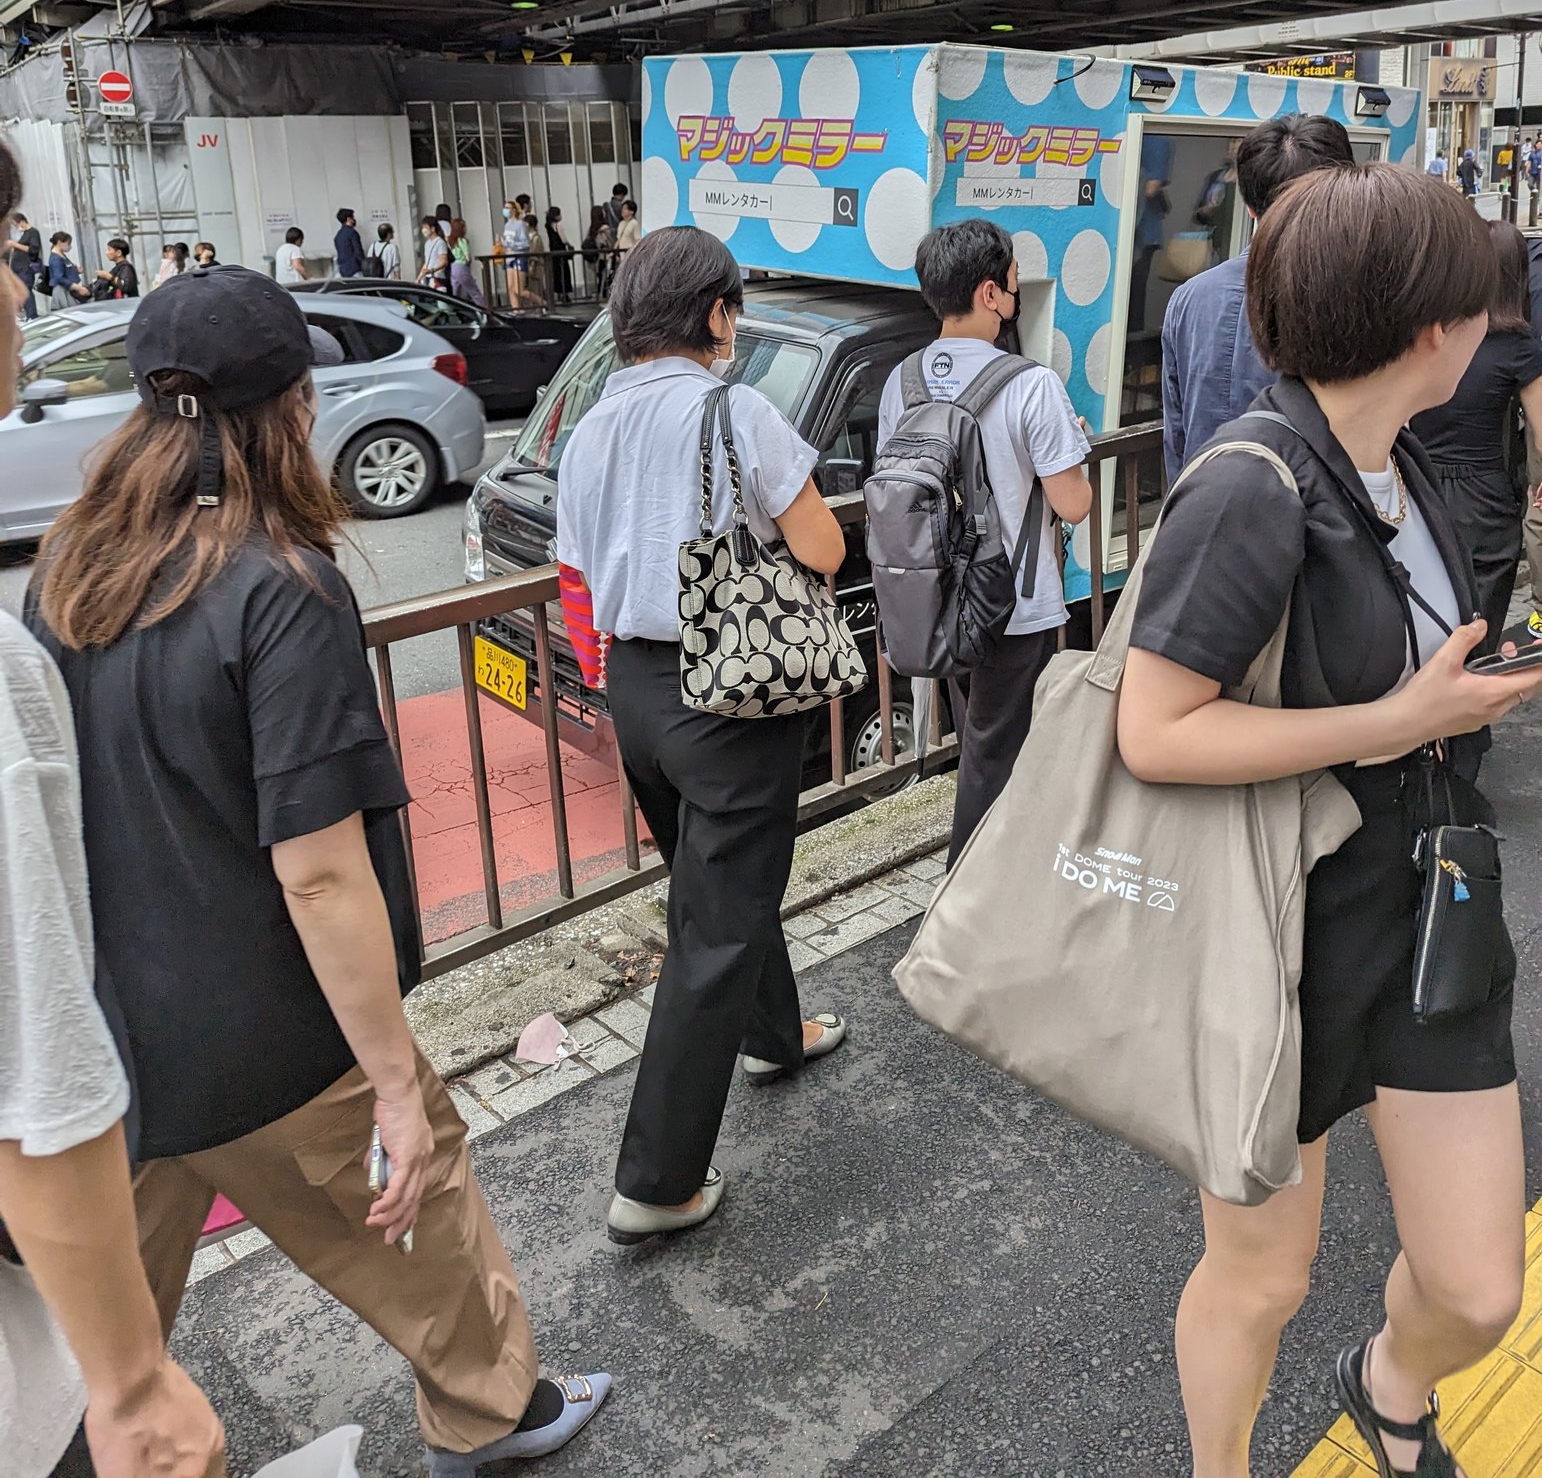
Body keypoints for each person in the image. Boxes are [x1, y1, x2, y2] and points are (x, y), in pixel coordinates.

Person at [26, 269, 612, 1471]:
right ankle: (490, 1413)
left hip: (106, 1053)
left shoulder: (64, 572)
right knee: (424, 1204)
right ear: (293, 405)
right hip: (270, 1037)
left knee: (100, 1358)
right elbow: (321, 874)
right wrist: (396, 1078)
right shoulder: (278, 588)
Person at [1119, 162, 1542, 1478]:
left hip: (1428, 901)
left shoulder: (1398, 458)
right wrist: (1396, 724)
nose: (1499, 326)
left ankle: (1387, 1383)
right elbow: (1151, 729)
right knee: (1259, 1277)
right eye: (1484, 307)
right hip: (1276, 934)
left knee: (1476, 1285)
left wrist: (1460, 695)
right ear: (1432, 330)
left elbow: (1392, 664)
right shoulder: (1250, 482)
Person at [0, 144, 227, 1478]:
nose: (21, 289)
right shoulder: (272, 585)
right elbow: (39, 1081)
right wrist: (132, 1383)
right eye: (10, 247)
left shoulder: (76, 549)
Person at [557, 228, 848, 1247]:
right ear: (717, 314)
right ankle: (656, 1176)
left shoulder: (589, 424)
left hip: (634, 683)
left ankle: (776, 1033)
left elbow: (579, 573)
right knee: (712, 921)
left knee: (712, 879)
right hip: (731, 686)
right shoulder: (738, 407)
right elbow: (820, 541)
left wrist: (608, 685)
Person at [877, 220, 1092, 866]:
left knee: (979, 739)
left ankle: (987, 890)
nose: (1017, 297)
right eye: (1014, 285)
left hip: (939, 601)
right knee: (997, 758)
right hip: (1014, 607)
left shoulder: (902, 383)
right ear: (991, 294)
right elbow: (1073, 503)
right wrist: (1073, 446)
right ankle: (967, 903)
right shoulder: (1032, 386)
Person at [1162, 113, 1356, 479]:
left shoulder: (1189, 299)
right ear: (1339, 197)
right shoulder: (1350, 298)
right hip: (1307, 521)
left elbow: (1177, 434)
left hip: (1199, 509)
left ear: (1249, 207)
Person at [1410, 219, 1542, 655]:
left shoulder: (1431, 333)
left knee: (1420, 615)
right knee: (1478, 631)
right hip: (1484, 497)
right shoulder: (1519, 347)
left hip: (1419, 485)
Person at [1128, 130, 1174, 332]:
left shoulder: (1157, 139)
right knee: (1132, 295)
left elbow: (1151, 188)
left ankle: (1132, 351)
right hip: (1138, 230)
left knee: (1134, 296)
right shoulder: (1154, 140)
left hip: (1143, 234)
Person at [7, 213, 41, 321]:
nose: (16, 227)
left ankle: (32, 315)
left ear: (22, 221)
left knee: (26, 290)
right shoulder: (23, 234)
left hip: (25, 267)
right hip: (17, 267)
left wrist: (15, 245)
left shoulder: (33, 233)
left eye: (16, 224)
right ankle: (28, 314)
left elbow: (33, 250)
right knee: (20, 290)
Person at [47, 234, 91, 309]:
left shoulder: (61, 255)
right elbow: (59, 278)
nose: (70, 246)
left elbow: (65, 270)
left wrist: (75, 270)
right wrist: (78, 288)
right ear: (60, 242)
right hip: (63, 291)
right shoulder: (56, 259)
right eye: (68, 243)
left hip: (68, 290)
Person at [449, 217, 485, 308]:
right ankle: (484, 310)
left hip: (453, 267)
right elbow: (467, 257)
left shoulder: (451, 241)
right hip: (461, 267)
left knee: (455, 293)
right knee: (474, 292)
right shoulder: (462, 240)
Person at [501, 198, 531, 306]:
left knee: (519, 289)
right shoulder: (507, 225)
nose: (505, 210)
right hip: (509, 258)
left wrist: (512, 245)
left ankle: (543, 303)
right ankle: (516, 310)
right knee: (510, 287)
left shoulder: (520, 224)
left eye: (507, 208)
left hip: (519, 257)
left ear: (514, 210)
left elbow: (526, 243)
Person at [583, 205, 616, 300]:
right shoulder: (605, 228)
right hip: (606, 255)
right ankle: (606, 294)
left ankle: (599, 293)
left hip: (596, 256)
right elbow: (608, 242)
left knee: (600, 275)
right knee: (608, 275)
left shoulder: (592, 228)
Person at [545, 207, 573, 304]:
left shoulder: (548, 226)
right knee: (564, 272)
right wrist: (569, 245)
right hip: (561, 251)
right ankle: (565, 294)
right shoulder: (558, 225)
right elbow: (564, 239)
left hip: (554, 252)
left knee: (557, 273)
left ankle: (559, 293)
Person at [419, 215, 451, 292]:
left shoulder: (440, 242)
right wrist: (418, 278)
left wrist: (432, 270)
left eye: (426, 227)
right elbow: (426, 263)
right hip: (428, 278)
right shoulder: (427, 243)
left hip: (438, 279)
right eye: (423, 227)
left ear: (433, 229)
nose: (424, 230)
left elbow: (444, 261)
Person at [333, 208, 365, 280]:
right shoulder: (352, 233)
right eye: (353, 217)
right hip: (355, 269)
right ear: (348, 219)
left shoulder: (338, 235)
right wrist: (364, 265)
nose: (354, 219)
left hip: (342, 270)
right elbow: (358, 252)